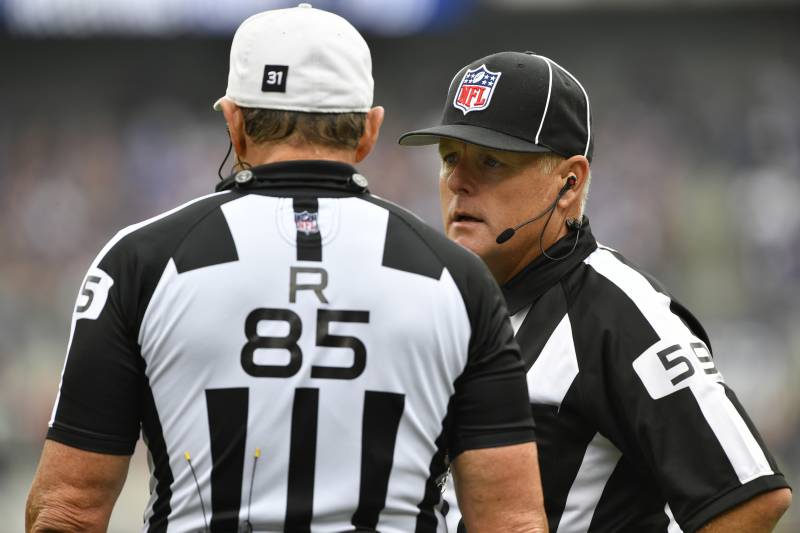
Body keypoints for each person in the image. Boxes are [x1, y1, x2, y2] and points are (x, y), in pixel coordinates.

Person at [25, 11, 549, 533]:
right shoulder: (457, 279)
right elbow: (511, 522)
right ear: (369, 131)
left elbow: (67, 513)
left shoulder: (139, 262)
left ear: (233, 122)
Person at [399, 51, 792, 532]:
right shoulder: (440, 302)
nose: (458, 182)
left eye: (492, 161)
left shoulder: (620, 315)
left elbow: (748, 496)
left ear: (569, 183)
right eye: (449, 159)